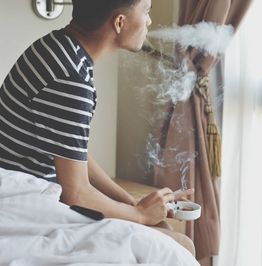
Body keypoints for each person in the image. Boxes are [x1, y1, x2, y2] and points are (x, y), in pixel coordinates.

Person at [0, 0, 195, 256]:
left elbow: (73, 154)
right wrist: (139, 214)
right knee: (181, 246)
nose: (149, 21)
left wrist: (131, 202)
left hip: (24, 190)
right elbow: (75, 193)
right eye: (146, 12)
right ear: (119, 23)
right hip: (25, 203)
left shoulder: (56, 46)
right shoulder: (72, 80)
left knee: (164, 229)